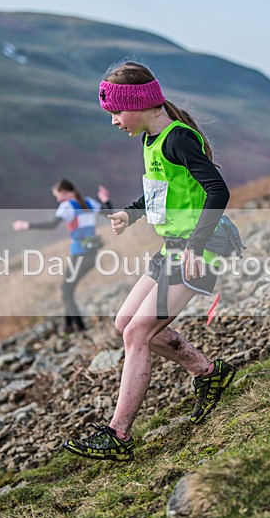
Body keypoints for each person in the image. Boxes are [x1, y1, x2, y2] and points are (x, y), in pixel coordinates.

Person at [64, 61, 237, 462]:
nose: (113, 122)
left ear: (139, 104)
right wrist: (131, 212)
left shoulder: (178, 139)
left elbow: (217, 191)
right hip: (172, 249)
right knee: (125, 324)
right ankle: (209, 373)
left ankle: (118, 434)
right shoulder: (151, 140)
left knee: (137, 334)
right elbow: (163, 193)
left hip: (200, 249)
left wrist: (196, 246)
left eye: (115, 113)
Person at [13, 178, 112, 334]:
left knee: (66, 290)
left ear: (65, 192)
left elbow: (52, 225)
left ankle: (80, 329)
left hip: (80, 254)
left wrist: (26, 225)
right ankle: (68, 325)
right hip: (92, 254)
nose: (58, 199)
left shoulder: (67, 206)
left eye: (58, 196)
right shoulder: (89, 202)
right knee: (68, 289)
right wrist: (106, 200)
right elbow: (111, 214)